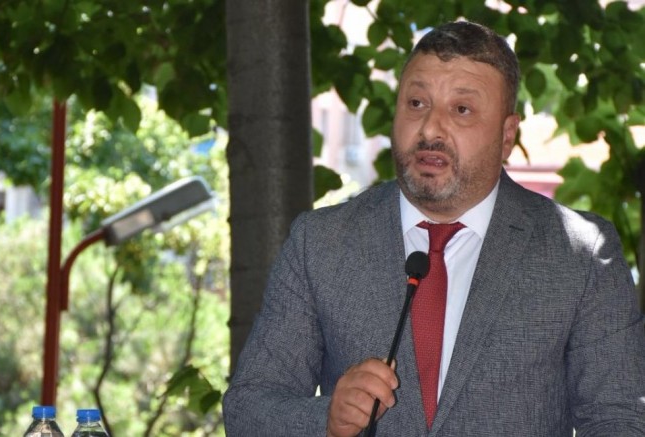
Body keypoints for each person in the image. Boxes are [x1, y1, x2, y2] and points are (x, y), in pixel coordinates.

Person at [222, 20, 645, 436]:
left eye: (461, 110)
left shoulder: (581, 255)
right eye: (416, 103)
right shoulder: (321, 243)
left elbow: (621, 419)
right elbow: (249, 408)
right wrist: (326, 420)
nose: (429, 129)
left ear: (506, 135)